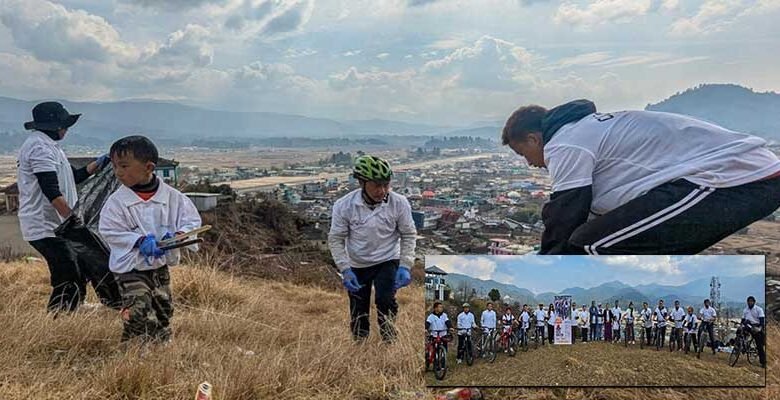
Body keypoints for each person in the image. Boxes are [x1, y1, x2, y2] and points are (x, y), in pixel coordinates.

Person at [501, 100, 780, 255]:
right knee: (598, 238)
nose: (529, 163)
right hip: (740, 178)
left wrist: (543, 264)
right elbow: (588, 211)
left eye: (522, 152)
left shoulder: (565, 143)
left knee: (587, 244)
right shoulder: (584, 130)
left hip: (733, 180)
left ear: (533, 138)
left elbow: (565, 214)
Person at [98, 136, 201, 342]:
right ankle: (133, 347)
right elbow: (109, 229)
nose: (118, 172)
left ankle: (160, 345)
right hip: (130, 267)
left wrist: (179, 236)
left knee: (163, 308)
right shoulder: (116, 202)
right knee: (139, 306)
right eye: (115, 166)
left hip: (159, 267)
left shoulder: (173, 197)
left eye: (124, 166)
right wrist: (138, 241)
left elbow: (192, 221)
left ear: (149, 167)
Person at [18, 101, 115, 314]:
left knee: (79, 268)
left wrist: (98, 164)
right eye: (64, 124)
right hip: (46, 225)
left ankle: (73, 309)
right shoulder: (39, 148)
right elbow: (51, 190)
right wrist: (73, 220)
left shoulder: (50, 147)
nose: (66, 129)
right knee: (68, 271)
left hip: (58, 223)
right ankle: (59, 315)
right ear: (53, 126)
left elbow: (73, 176)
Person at [328, 155, 417, 342]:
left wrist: (405, 265)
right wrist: (345, 269)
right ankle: (360, 344)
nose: (382, 190)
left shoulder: (399, 203)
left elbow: (408, 234)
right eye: (376, 185)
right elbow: (336, 239)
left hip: (387, 259)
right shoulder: (344, 206)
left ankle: (389, 341)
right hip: (358, 263)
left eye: (386, 185)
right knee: (358, 308)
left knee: (385, 301)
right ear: (362, 182)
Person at [741, 296, 766, 368]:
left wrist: (760, 328)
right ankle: (741, 346)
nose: (750, 303)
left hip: (756, 326)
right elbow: (743, 320)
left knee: (759, 344)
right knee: (739, 332)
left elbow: (762, 320)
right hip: (748, 325)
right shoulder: (745, 310)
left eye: (751, 301)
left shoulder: (759, 309)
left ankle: (763, 362)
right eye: (749, 301)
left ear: (754, 302)